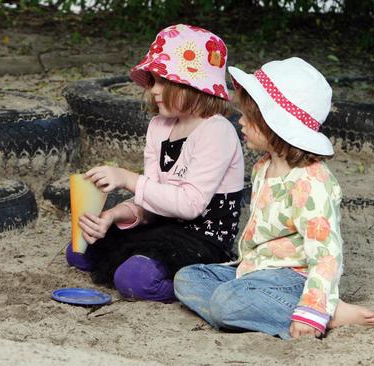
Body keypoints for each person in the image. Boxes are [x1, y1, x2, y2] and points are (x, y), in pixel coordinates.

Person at [174, 57, 374, 339]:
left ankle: (321, 313)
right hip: (254, 271)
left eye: (250, 117)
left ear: (275, 124)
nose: (241, 121)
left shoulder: (311, 181)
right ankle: (253, 308)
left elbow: (326, 254)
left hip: (291, 279)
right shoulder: (263, 167)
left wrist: (314, 304)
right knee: (187, 278)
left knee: (225, 302)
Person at [65, 24, 244, 302]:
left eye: (163, 81)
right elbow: (152, 202)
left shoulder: (216, 131)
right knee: (80, 250)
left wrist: (127, 178)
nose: (153, 90)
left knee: (135, 279)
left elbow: (189, 205)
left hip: (203, 238)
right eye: (152, 80)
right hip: (163, 227)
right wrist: (112, 216)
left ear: (193, 86)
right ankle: (144, 262)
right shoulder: (159, 126)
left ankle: (198, 283)